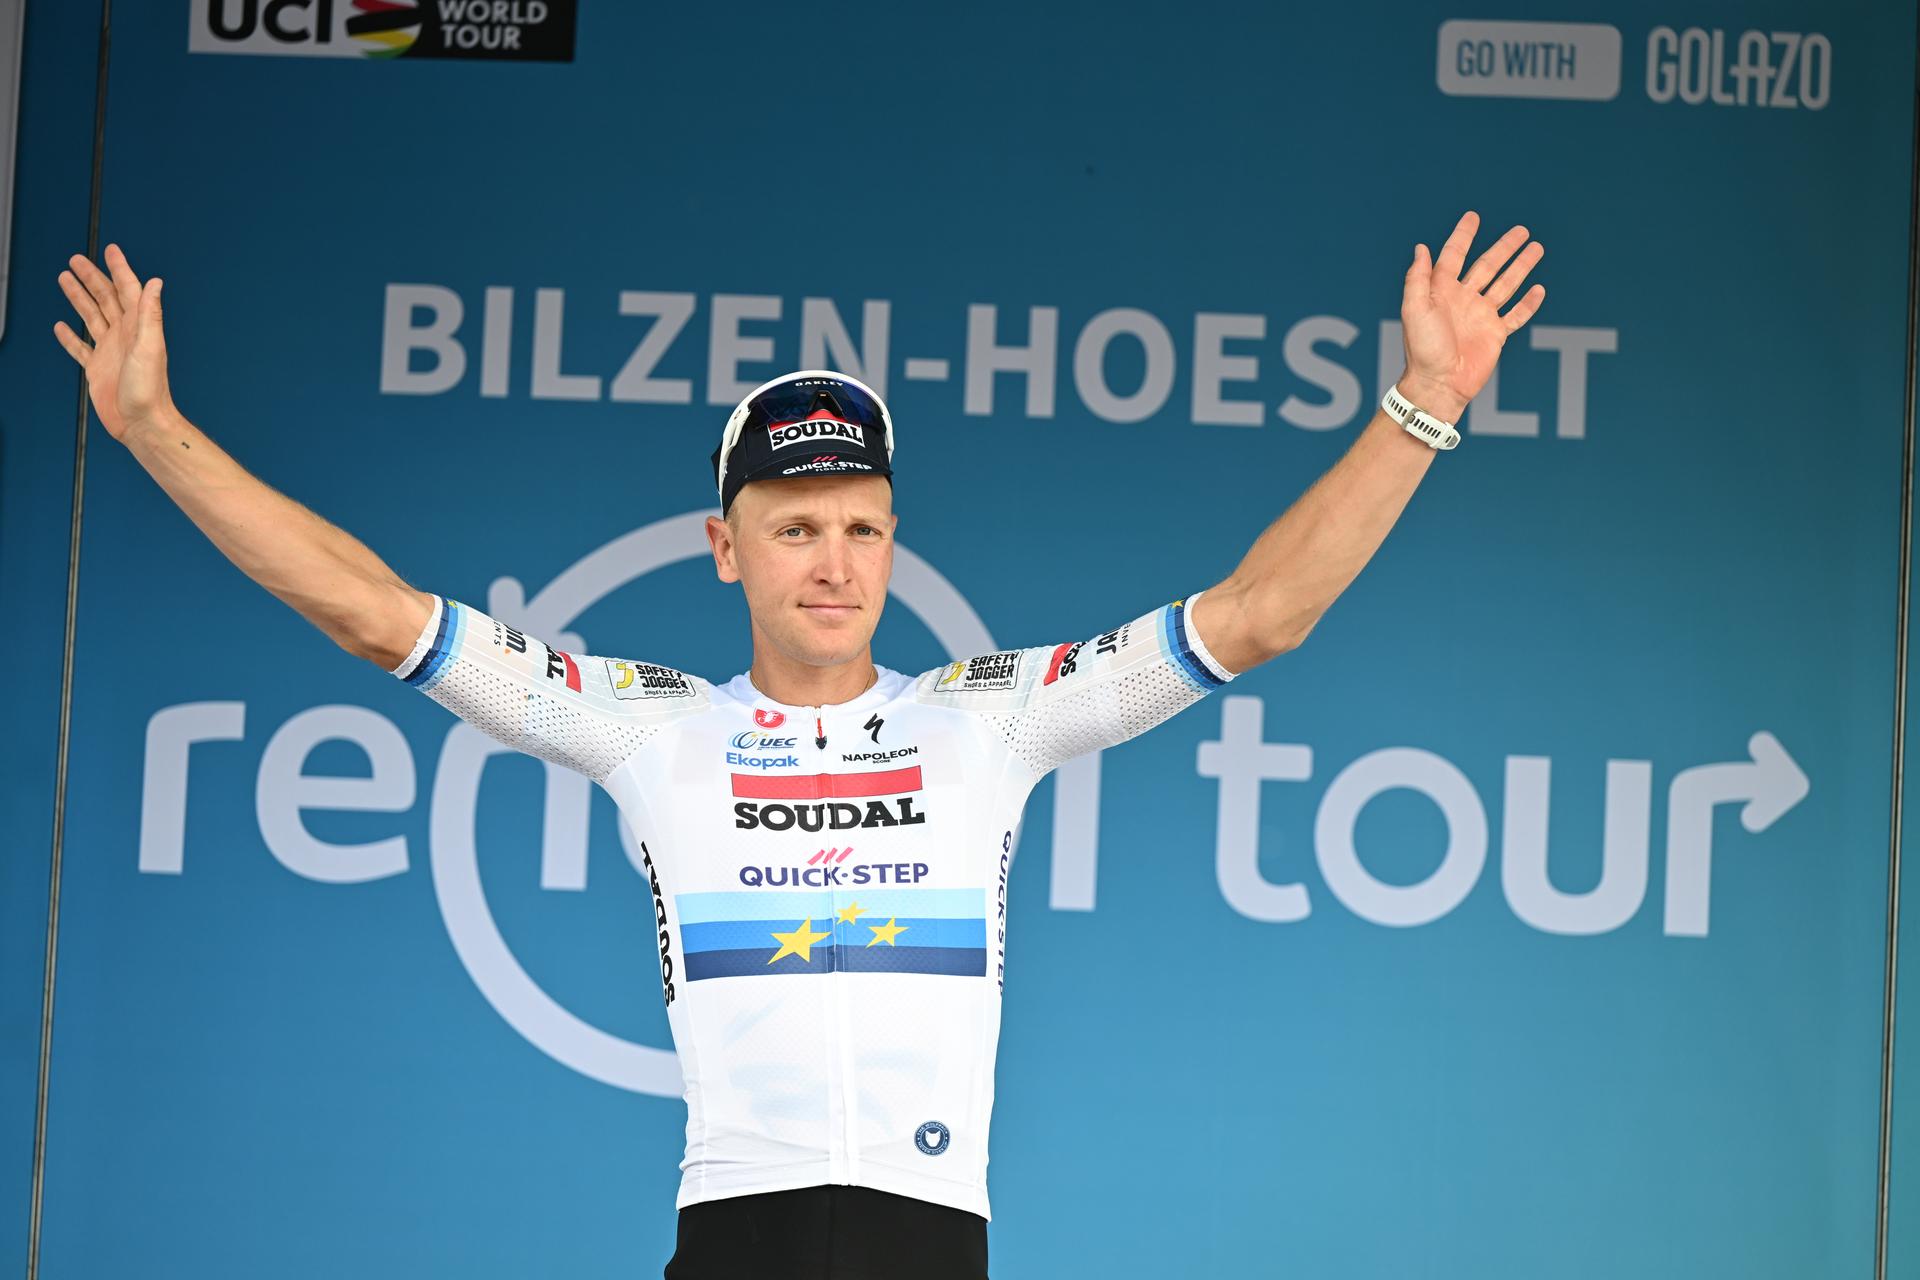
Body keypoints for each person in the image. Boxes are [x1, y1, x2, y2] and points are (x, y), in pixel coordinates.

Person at [53, 212, 1544, 1279]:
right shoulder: (650, 727)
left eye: (860, 530)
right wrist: (152, 429)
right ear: (725, 546)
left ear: (893, 543)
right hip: (731, 1236)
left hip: (931, 1238)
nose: (832, 564)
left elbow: (1258, 617)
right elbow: (378, 616)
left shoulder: (989, 714)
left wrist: (1424, 405)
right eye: (793, 529)